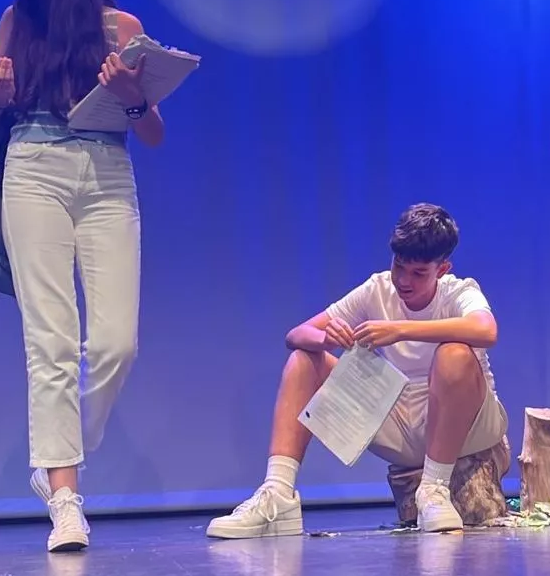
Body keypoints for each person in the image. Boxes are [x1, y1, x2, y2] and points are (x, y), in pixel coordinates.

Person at [0, 0, 166, 551]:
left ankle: (58, 452)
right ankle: (65, 496)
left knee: (115, 345)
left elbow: (154, 132)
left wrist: (134, 96)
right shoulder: (15, 22)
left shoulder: (122, 29)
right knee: (49, 341)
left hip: (108, 174)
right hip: (33, 169)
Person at [206, 204, 509, 537]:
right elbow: (296, 334)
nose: (404, 280)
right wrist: (326, 336)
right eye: (399, 266)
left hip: (466, 428)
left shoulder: (459, 291)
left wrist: (400, 329)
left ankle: (434, 488)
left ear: (442, 269)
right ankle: (278, 493)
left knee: (454, 354)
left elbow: (486, 330)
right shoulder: (377, 289)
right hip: (401, 424)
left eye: (418, 272)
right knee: (306, 357)